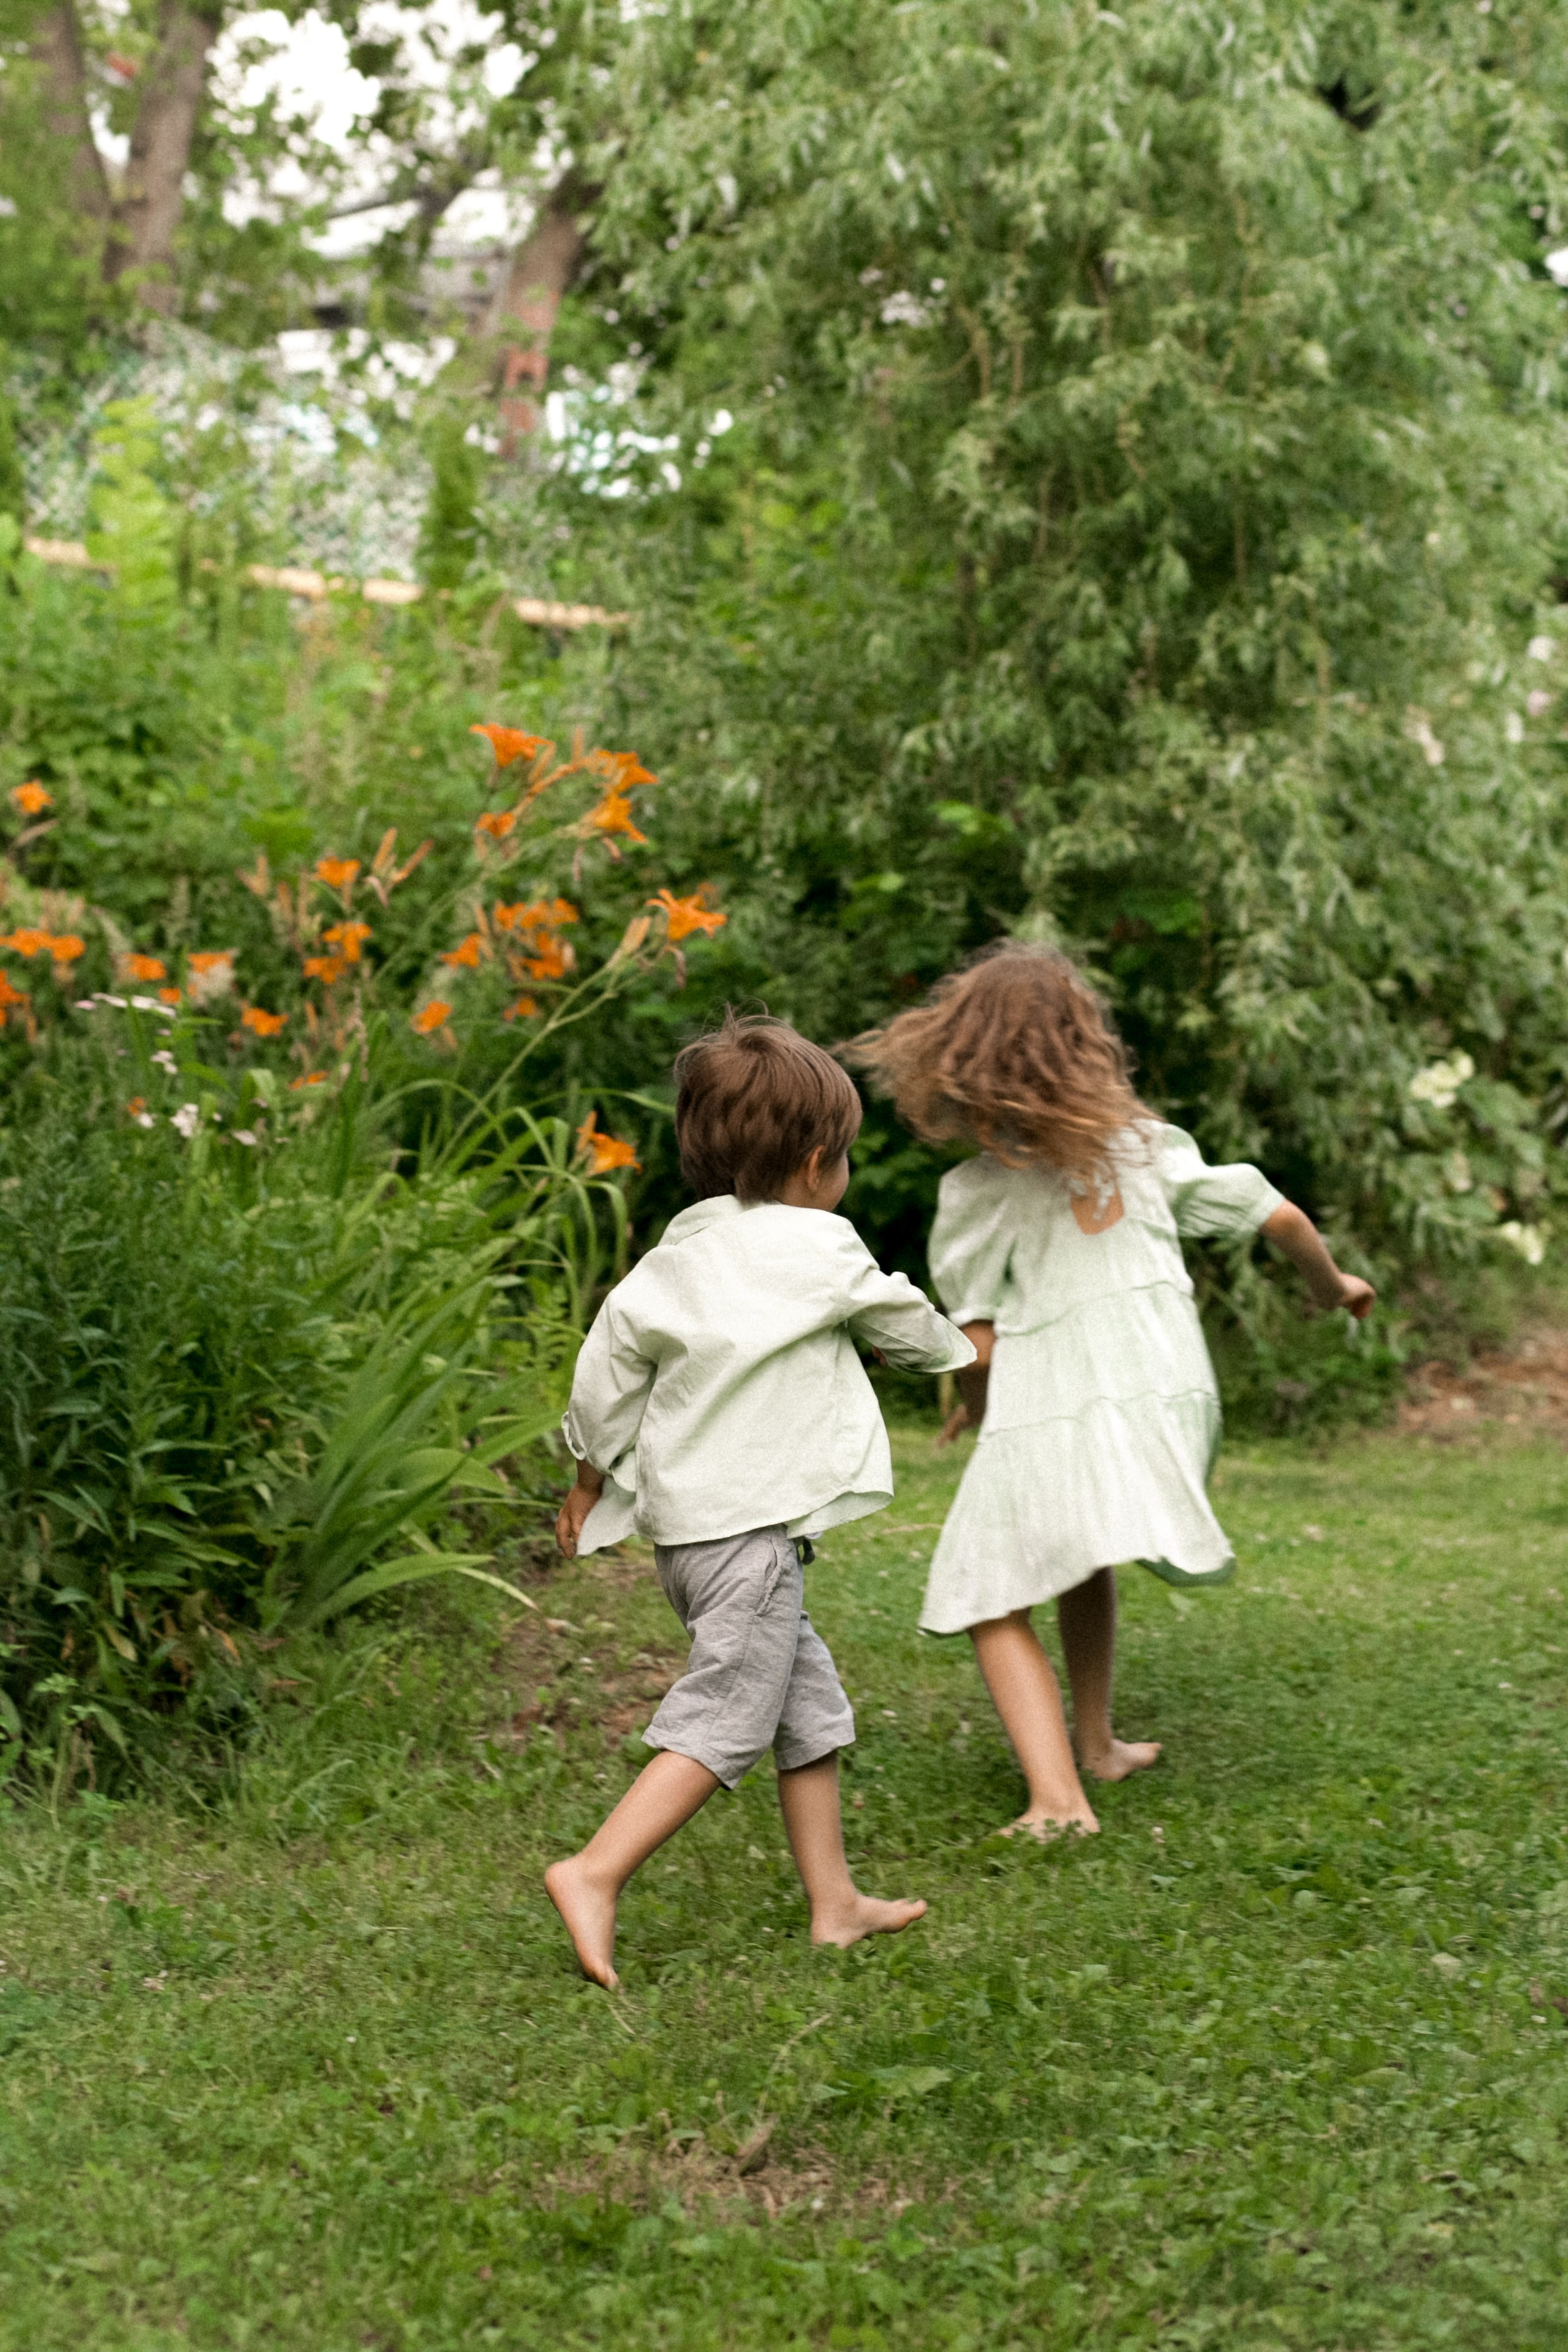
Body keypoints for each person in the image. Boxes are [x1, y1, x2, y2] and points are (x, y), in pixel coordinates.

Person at [848, 944, 1375, 1841]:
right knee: (1079, 1548)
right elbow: (1277, 1215)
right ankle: (1094, 1745)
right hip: (1167, 1386)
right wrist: (1332, 1288)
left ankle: (1058, 1804)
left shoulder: (977, 1192)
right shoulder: (1148, 1149)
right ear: (1082, 1049)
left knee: (987, 1595)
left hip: (1068, 1389)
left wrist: (978, 1419)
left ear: (958, 1065)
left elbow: (975, 1351)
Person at [546, 1012, 975, 1988]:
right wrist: (955, 1353)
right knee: (732, 1709)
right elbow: (906, 1327)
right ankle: (596, 1870)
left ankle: (835, 1903)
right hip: (746, 1541)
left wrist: (585, 1481)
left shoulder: (671, 1262)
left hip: (690, 1543)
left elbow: (602, 1381)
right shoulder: (820, 1249)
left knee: (803, 1706)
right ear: (819, 1161)